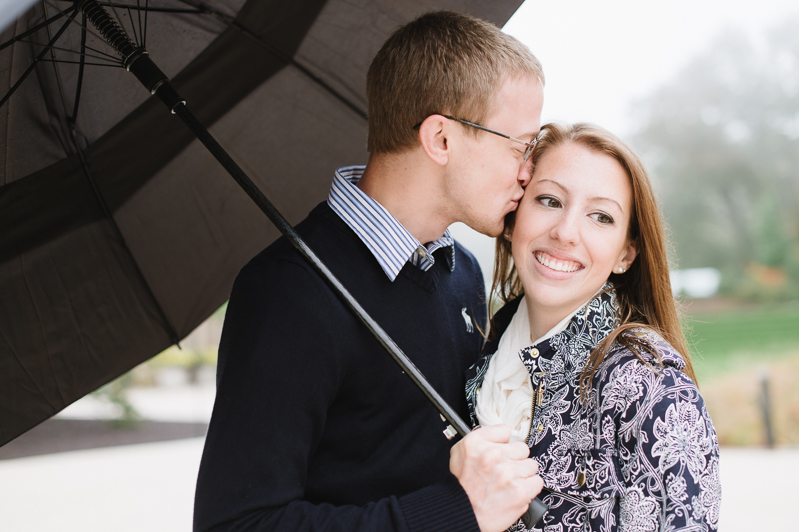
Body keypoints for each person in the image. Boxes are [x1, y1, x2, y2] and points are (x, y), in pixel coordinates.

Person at [194, 11, 546, 532]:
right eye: (520, 146)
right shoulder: (288, 293)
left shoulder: (462, 274)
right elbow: (237, 523)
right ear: (441, 140)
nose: (528, 171)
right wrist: (454, 513)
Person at [466, 123, 722, 531]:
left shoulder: (651, 389)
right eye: (549, 200)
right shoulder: (477, 355)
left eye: (601, 217)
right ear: (513, 218)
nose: (565, 232)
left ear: (626, 253)